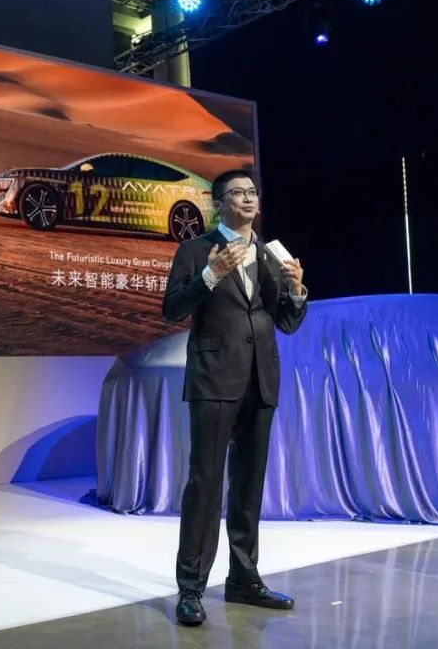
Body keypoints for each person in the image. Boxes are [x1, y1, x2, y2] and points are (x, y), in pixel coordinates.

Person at [163, 168, 308, 626]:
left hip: (260, 379)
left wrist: (297, 292)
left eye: (252, 192)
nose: (248, 198)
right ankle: (191, 588)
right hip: (213, 379)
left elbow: (286, 322)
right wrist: (210, 274)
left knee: (248, 486)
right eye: (238, 192)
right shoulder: (194, 250)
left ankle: (244, 579)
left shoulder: (270, 255)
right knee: (205, 485)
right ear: (218, 203)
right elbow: (172, 308)